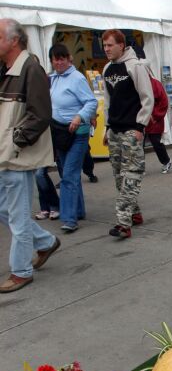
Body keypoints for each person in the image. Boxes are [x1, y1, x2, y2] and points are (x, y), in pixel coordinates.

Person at [0, 18, 61, 293]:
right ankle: (46, 242)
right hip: (5, 154)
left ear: (14, 40)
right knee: (11, 213)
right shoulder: (8, 68)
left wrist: (14, 142)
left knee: (18, 215)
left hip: (16, 157)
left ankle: (21, 271)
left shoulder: (30, 68)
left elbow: (40, 115)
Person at [102, 29, 154, 239]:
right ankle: (135, 213)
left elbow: (147, 98)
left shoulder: (136, 67)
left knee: (131, 175)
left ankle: (123, 224)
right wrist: (107, 127)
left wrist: (140, 127)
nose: (107, 49)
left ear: (121, 45)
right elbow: (108, 102)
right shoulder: (107, 68)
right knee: (118, 177)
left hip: (132, 131)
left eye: (110, 45)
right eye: (104, 46)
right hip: (114, 131)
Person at [48, 43, 98, 233]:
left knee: (68, 175)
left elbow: (91, 101)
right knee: (70, 175)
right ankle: (77, 211)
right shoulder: (52, 79)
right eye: (55, 59)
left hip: (77, 134)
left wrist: (79, 117)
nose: (59, 62)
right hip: (60, 133)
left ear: (69, 58)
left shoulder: (76, 78)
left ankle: (69, 218)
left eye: (62, 58)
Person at [144, 74, 172, 172]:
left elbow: (164, 102)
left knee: (156, 142)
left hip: (153, 119)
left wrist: (154, 115)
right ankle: (139, 166)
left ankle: (166, 161)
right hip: (140, 118)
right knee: (138, 144)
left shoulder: (155, 84)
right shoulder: (135, 84)